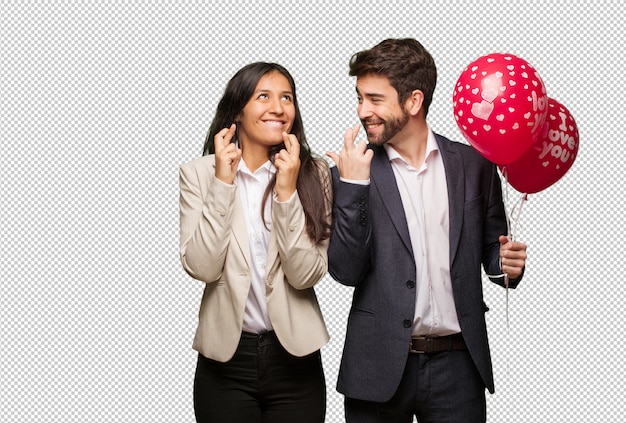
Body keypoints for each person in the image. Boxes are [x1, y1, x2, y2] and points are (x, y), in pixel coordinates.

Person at [325, 38, 528, 423]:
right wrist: (353, 189)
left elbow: (492, 253)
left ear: (414, 102)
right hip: (378, 365)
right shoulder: (351, 173)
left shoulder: (473, 165)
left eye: (374, 99)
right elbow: (346, 271)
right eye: (359, 98)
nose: (362, 111)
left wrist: (507, 265)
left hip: (458, 366)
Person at [179, 62, 333, 423]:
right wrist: (222, 183)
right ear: (237, 110)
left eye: (287, 98)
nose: (278, 108)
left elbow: (305, 275)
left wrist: (287, 192)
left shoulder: (315, 173)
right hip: (225, 364)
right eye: (263, 96)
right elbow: (201, 267)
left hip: (296, 361)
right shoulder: (198, 174)